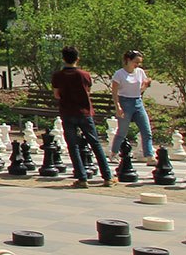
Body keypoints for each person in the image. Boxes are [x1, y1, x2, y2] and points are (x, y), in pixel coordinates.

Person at [52, 45, 111, 187]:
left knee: (73, 146)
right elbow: (88, 91)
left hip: (67, 112)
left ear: (63, 58)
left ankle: (82, 178)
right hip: (84, 113)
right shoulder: (84, 75)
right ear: (78, 59)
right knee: (95, 144)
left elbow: (56, 94)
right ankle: (107, 177)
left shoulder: (57, 76)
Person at [111, 50, 156, 161]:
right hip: (124, 102)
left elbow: (141, 89)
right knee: (123, 131)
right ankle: (114, 153)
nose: (138, 65)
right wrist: (118, 107)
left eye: (139, 63)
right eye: (136, 62)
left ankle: (149, 156)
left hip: (137, 102)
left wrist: (146, 84)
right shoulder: (119, 74)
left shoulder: (140, 72)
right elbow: (114, 92)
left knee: (146, 130)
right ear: (128, 60)